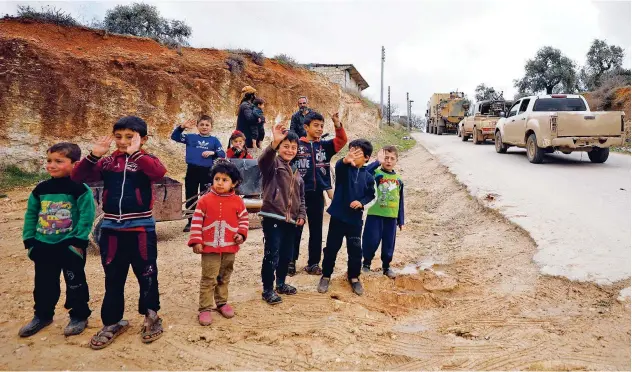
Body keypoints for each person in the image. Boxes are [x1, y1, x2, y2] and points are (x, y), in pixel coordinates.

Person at [72, 116, 167, 350]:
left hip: (141, 229)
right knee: (113, 278)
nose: (123, 141)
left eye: (130, 137)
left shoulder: (146, 160)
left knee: (147, 274)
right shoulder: (107, 163)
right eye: (119, 137)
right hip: (112, 230)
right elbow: (78, 177)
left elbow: (159, 173)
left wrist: (136, 154)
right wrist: (94, 155)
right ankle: (112, 322)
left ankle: (151, 316)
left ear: (143, 139)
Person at [19, 143, 95, 338]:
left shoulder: (79, 188)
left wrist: (78, 242)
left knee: (75, 283)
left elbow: (87, 216)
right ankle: (42, 315)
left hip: (69, 246)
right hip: (43, 245)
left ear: (74, 165)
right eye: (49, 161)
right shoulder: (41, 189)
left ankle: (79, 316)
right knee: (44, 284)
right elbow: (31, 214)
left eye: (58, 161)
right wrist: (30, 241)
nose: (51, 165)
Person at [188, 160, 248, 326]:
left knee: (224, 275)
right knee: (209, 277)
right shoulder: (204, 200)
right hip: (209, 248)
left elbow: (243, 219)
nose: (220, 183)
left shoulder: (238, 201)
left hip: (230, 247)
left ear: (234, 183)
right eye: (217, 179)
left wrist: (241, 234)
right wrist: (196, 241)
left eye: (225, 180)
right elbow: (197, 221)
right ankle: (205, 308)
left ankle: (221, 303)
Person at [291, 111, 347, 276]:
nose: (320, 129)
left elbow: (342, 140)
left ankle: (313, 263)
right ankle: (290, 262)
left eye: (322, 126)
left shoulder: (325, 146)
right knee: (295, 229)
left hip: (317, 194)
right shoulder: (296, 145)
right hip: (297, 194)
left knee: (316, 230)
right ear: (306, 127)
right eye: (316, 125)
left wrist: (337, 124)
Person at [317, 139, 375, 296]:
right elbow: (339, 166)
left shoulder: (369, 177)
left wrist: (361, 203)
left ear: (367, 158)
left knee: (355, 250)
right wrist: (345, 160)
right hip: (338, 217)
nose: (353, 156)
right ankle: (326, 275)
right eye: (351, 151)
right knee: (331, 248)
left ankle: (354, 277)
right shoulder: (344, 170)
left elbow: (372, 196)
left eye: (358, 153)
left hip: (355, 221)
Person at [258, 124, 306, 305]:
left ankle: (281, 283)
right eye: (286, 146)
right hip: (273, 217)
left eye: (294, 147)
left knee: (287, 254)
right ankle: (267, 289)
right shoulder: (272, 165)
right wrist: (273, 144)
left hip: (291, 221)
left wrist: (302, 214)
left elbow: (301, 197)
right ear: (279, 147)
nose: (290, 150)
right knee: (272, 253)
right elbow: (263, 160)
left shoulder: (296, 172)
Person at [171, 115, 226, 232]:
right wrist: (181, 127)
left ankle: (206, 220)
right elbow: (174, 136)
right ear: (197, 126)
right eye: (202, 124)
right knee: (191, 194)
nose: (204, 127)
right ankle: (191, 221)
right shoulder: (190, 138)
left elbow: (222, 154)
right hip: (192, 170)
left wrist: (213, 152)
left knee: (206, 196)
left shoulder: (214, 140)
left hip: (207, 171)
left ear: (211, 127)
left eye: (207, 125)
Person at [362, 147, 405, 279]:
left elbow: (400, 200)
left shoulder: (399, 180)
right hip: (375, 214)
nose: (388, 161)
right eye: (386, 158)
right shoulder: (375, 174)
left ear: (396, 161)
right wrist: (377, 162)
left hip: (391, 217)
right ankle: (366, 263)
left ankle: (386, 266)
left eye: (392, 158)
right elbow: (363, 172)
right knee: (371, 240)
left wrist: (400, 219)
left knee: (388, 244)